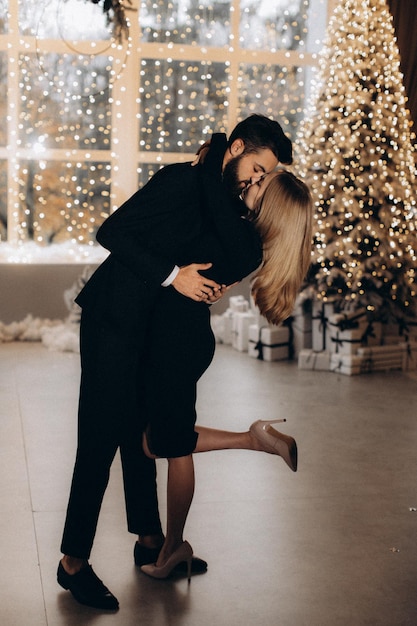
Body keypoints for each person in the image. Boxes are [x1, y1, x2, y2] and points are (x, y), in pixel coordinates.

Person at [57, 115, 293, 610]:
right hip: (113, 318)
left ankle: (149, 543)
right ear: (238, 148)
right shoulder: (182, 180)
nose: (255, 180)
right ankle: (72, 564)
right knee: (99, 439)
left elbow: (219, 251)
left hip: (151, 333)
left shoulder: (220, 196)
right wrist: (172, 277)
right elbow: (111, 231)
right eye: (256, 167)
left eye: (264, 176)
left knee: (136, 436)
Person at [138, 167, 313, 580]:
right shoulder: (248, 243)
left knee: (171, 447)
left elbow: (208, 188)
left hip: (177, 344)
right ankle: (255, 439)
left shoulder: (239, 234)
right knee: (152, 443)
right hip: (182, 339)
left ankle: (172, 549)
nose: (251, 182)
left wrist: (218, 149)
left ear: (273, 205)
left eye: (261, 182)